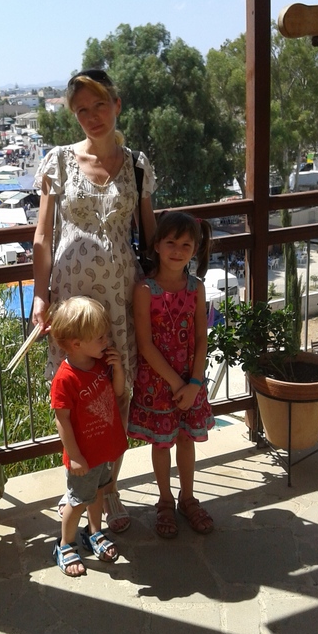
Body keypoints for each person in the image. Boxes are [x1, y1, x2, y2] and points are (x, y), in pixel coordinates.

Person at [32, 68, 157, 533]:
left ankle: (109, 490)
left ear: (117, 105)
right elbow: (42, 237)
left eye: (99, 105)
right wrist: (39, 295)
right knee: (75, 396)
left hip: (120, 298)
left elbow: (149, 232)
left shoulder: (137, 165)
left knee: (114, 395)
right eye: (81, 109)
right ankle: (79, 489)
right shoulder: (59, 162)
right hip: (72, 299)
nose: (91, 116)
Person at [128, 212, 215, 538]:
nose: (177, 250)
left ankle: (187, 498)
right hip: (158, 383)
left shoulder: (196, 288)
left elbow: (202, 338)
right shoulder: (144, 290)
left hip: (190, 381)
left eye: (185, 245)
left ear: (195, 249)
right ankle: (165, 500)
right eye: (171, 243)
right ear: (157, 245)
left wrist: (195, 382)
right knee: (162, 443)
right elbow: (146, 345)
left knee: (186, 439)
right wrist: (178, 383)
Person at [49, 296, 129, 576]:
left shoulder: (100, 363)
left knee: (99, 493)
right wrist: (75, 457)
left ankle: (94, 531)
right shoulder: (65, 379)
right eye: (100, 337)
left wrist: (118, 369)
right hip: (84, 456)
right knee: (77, 501)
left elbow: (118, 392)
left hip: (105, 449)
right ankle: (65, 544)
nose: (106, 340)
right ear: (76, 344)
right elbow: (62, 420)